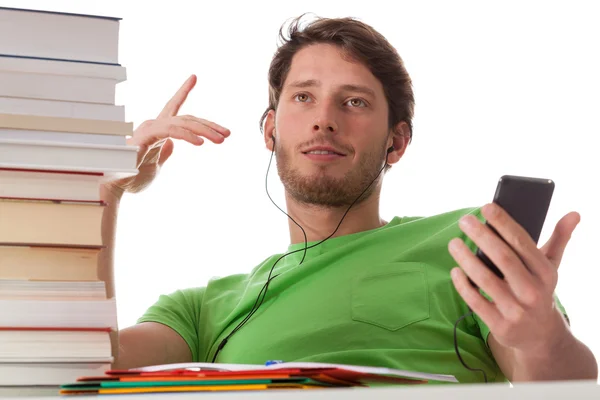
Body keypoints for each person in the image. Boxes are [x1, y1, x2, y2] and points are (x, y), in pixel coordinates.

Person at [100, 15, 597, 383]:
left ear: (396, 142)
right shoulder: (201, 309)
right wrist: (104, 193)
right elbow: (78, 368)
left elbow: (559, 385)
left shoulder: (469, 244)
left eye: (354, 101)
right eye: (303, 97)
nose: (324, 119)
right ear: (270, 129)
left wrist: (541, 338)